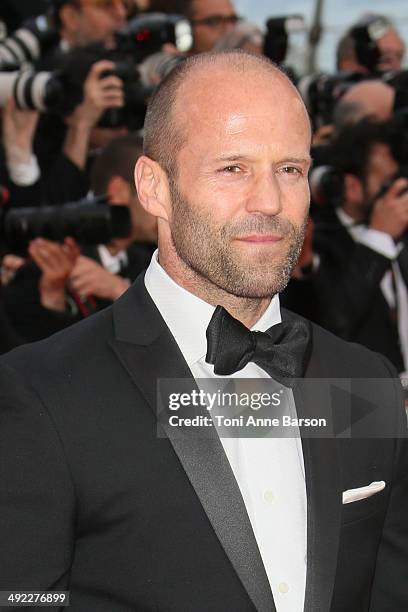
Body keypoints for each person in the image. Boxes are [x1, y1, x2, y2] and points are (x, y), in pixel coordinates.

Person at [0, 51, 407, 612]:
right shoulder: (41, 393)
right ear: (154, 187)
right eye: (232, 168)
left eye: (289, 169)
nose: (270, 202)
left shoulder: (364, 378)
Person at [312, 120, 408, 375]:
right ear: (352, 187)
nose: (399, 195)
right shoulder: (317, 243)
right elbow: (332, 327)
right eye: (388, 183)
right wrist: (377, 241)